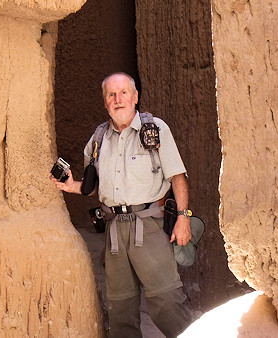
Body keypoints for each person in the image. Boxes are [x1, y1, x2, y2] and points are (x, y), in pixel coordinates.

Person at [51, 72, 193, 337]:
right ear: (105, 102)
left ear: (135, 97)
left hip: (149, 226)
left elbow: (177, 177)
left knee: (166, 303)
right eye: (111, 95)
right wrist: (72, 186)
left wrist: (184, 217)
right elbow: (95, 188)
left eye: (124, 93)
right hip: (115, 230)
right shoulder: (97, 140)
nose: (118, 100)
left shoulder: (156, 130)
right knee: (121, 308)